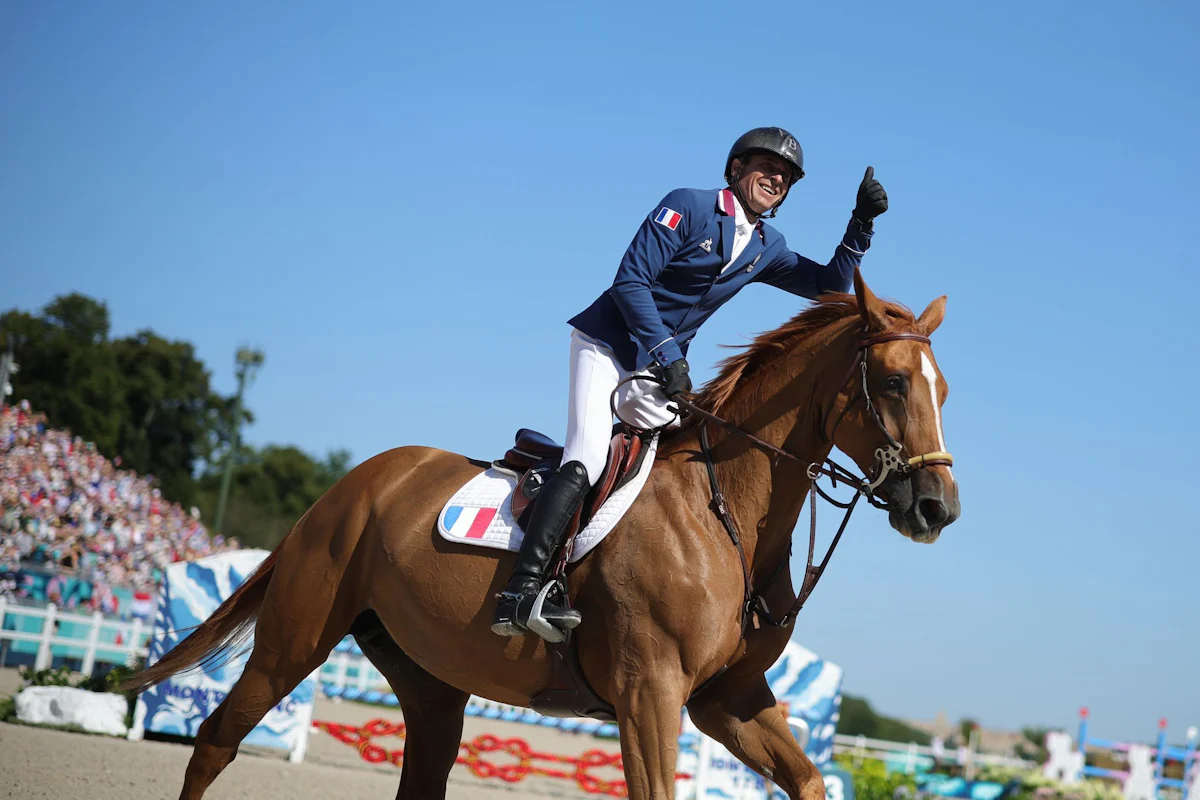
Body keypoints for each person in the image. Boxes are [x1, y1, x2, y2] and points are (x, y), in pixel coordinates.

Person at [490, 127, 888, 639]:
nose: (776, 178)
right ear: (737, 169)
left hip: (658, 365)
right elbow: (629, 281)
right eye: (767, 167)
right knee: (589, 454)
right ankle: (522, 592)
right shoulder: (689, 206)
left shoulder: (766, 244)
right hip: (609, 344)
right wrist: (666, 353)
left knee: (677, 460)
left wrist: (860, 227)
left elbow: (827, 288)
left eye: (786, 176)